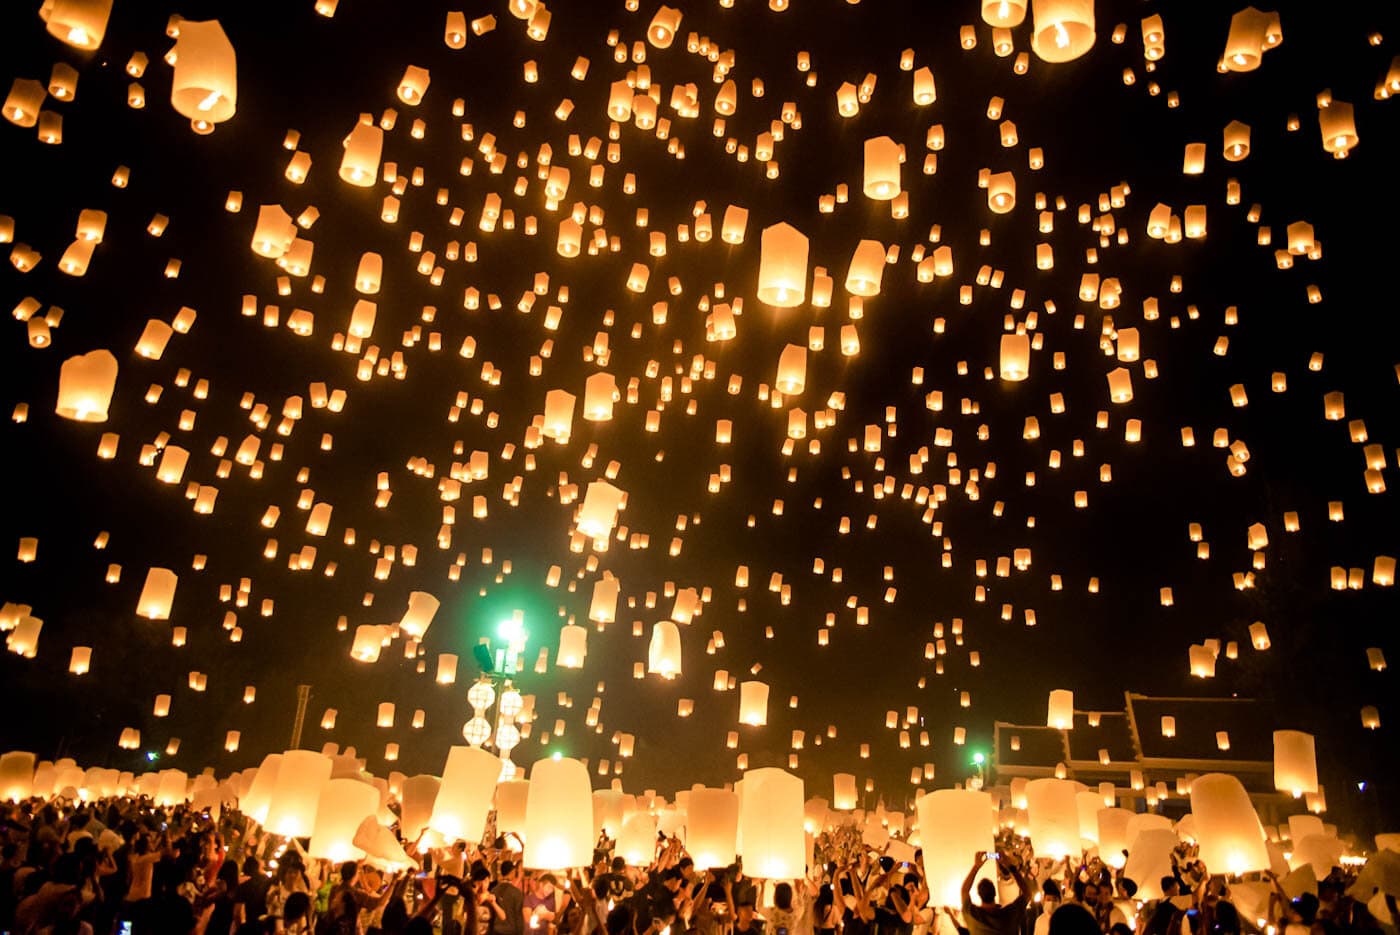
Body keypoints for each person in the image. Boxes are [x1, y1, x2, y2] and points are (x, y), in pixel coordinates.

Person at [960, 853, 1029, 935]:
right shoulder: (1010, 915)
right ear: (995, 893)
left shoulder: (973, 916)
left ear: (979, 895)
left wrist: (976, 866)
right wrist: (1010, 866)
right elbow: (1027, 894)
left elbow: (964, 891)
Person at [492, 861, 526, 935]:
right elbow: (519, 917)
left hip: (495, 930)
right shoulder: (516, 893)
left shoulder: (494, 891)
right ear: (513, 872)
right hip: (511, 931)